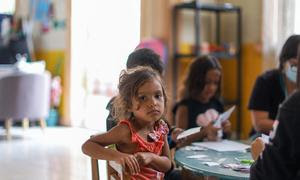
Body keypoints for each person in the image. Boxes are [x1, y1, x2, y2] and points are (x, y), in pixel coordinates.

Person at [82, 66, 172, 179]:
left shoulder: (160, 128)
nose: (153, 102)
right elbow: (87, 146)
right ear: (129, 105)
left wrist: (151, 157)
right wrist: (118, 156)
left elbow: (168, 165)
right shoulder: (126, 131)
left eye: (157, 96)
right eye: (143, 98)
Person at [173, 55, 231, 147]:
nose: (212, 88)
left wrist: (226, 129)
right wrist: (204, 131)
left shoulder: (217, 104)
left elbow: (223, 137)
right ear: (196, 81)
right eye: (207, 82)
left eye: (215, 83)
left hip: (216, 155)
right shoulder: (184, 107)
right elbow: (180, 140)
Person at [248, 35, 300, 137]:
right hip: (265, 137)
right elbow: (259, 123)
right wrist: (287, 126)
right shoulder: (266, 81)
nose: (298, 71)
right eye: (295, 65)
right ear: (283, 61)